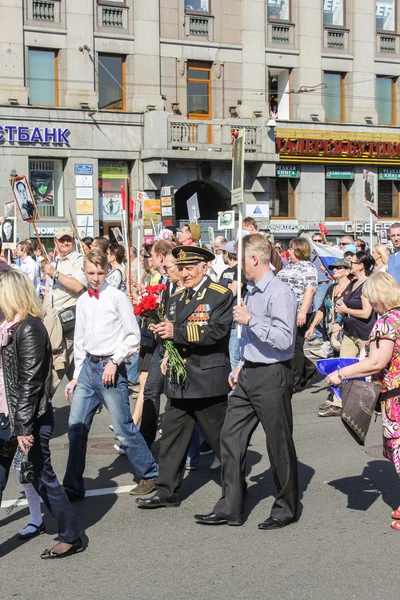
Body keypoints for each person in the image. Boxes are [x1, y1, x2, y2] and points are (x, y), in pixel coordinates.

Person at [194, 234, 298, 529]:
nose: (237, 264)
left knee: (278, 442)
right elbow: (247, 337)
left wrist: (251, 319)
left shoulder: (279, 292)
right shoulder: (250, 291)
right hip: (249, 372)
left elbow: (283, 339)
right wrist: (240, 364)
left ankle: (286, 507)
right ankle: (231, 506)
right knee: (230, 437)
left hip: (273, 373)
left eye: (240, 258)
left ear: (254, 258)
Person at [136, 245, 234, 510]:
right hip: (180, 381)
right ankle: (167, 491)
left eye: (190, 267)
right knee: (171, 439)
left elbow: (216, 331)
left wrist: (175, 333)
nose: (185, 273)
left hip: (206, 382)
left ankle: (234, 492)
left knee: (221, 442)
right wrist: (164, 340)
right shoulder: (177, 296)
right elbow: (169, 330)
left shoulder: (219, 295)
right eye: (181, 268)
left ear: (204, 267)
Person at [63, 249, 158, 498]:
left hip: (111, 370)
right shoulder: (83, 301)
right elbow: (81, 340)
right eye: (91, 272)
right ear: (84, 271)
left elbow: (132, 335)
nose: (95, 277)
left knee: (123, 427)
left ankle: (149, 474)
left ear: (106, 271)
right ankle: (73, 485)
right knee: (76, 427)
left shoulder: (116, 297)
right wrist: (76, 376)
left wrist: (115, 362)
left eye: (100, 272)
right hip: (87, 371)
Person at [0, 270, 82, 558]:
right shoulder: (11, 327)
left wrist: (22, 427)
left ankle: (71, 535)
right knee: (28, 477)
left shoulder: (29, 328)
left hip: (31, 418)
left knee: (42, 476)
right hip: (15, 415)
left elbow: (30, 381)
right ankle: (69, 532)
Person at [325, 272, 400, 531]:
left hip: (395, 399)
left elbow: (378, 362)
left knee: (398, 450)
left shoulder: (387, 322)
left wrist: (340, 373)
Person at [140, 249, 183, 448]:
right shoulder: (167, 285)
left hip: (179, 346)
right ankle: (145, 442)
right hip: (162, 345)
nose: (165, 271)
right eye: (164, 267)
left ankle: (199, 445)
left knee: (177, 398)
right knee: (150, 390)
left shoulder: (187, 288)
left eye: (168, 267)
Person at [42, 227, 87, 394]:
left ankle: (43, 402)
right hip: (53, 322)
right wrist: (41, 316)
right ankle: (90, 396)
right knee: (75, 368)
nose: (66, 242)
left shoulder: (79, 260)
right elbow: (49, 293)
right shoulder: (53, 263)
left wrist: (55, 274)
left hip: (69, 322)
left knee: (56, 364)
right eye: (62, 240)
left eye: (68, 239)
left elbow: (77, 286)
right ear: (55, 242)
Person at [277, 237, 318, 392]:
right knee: (287, 344)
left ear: (299, 250)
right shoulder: (288, 266)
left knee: (295, 346)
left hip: (299, 310)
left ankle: (295, 381)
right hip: (285, 310)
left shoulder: (308, 267)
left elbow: (310, 289)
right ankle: (307, 368)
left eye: (291, 248)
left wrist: (302, 312)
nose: (288, 251)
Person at [306, 258, 352, 361]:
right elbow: (322, 310)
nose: (335, 270)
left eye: (339, 268)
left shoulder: (353, 287)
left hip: (348, 333)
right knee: (336, 362)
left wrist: (341, 327)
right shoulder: (331, 288)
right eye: (334, 268)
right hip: (332, 333)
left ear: (347, 271)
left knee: (346, 363)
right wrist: (312, 326)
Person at [309, 232, 333, 346]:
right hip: (312, 284)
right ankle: (319, 336)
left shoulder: (326, 252)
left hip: (324, 283)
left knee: (320, 308)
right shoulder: (310, 253)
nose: (317, 243)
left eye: (320, 241)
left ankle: (326, 336)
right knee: (315, 310)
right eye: (315, 241)